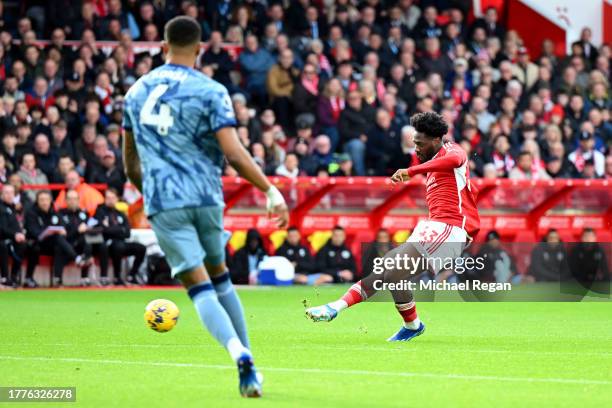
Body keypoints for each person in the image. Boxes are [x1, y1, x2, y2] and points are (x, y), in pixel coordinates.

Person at [121, 16, 288, 398]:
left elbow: (130, 165)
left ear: (163, 47)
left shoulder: (135, 93)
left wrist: (152, 195)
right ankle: (252, 364)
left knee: (199, 289)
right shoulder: (211, 90)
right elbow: (233, 153)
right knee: (221, 276)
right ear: (199, 49)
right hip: (206, 197)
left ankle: (237, 353)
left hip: (165, 202)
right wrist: (269, 189)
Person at [306, 112, 480, 342]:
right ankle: (404, 323)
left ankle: (340, 308)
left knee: (393, 267)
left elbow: (456, 160)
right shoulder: (433, 164)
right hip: (434, 226)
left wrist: (412, 171)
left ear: (436, 139)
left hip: (451, 228)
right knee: (389, 270)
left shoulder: (451, 150)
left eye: (419, 143)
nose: (415, 148)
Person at [25, 190, 83, 287]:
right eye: (42, 200)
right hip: (37, 242)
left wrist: (62, 231)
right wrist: (47, 232)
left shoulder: (54, 212)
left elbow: (63, 227)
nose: (44, 202)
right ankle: (76, 257)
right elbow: (33, 231)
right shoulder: (31, 213)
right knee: (53, 240)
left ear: (50, 201)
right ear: (37, 201)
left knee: (59, 245)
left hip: (51, 243)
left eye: (47, 200)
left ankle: (57, 279)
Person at [93, 188, 145, 285]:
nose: (110, 200)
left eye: (112, 198)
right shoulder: (100, 212)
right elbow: (101, 230)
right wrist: (119, 229)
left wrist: (111, 228)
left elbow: (128, 232)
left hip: (121, 241)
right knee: (118, 246)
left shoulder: (120, 214)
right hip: (107, 243)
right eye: (108, 198)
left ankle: (132, 275)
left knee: (141, 248)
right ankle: (117, 277)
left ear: (117, 199)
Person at [59, 189, 109, 286]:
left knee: (102, 245)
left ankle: (103, 277)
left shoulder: (83, 213)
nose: (72, 201)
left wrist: (92, 227)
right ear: (66, 200)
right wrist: (77, 230)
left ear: (78, 200)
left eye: (75, 199)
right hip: (70, 243)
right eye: (70, 199)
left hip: (84, 242)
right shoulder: (61, 214)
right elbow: (64, 235)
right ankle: (82, 274)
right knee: (86, 243)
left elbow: (90, 225)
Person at [0, 184, 27, 287]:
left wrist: (20, 233)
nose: (9, 195)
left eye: (11, 193)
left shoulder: (12, 208)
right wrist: (15, 234)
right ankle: (5, 277)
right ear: (2, 194)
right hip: (2, 238)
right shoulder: (1, 208)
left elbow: (16, 226)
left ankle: (14, 276)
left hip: (12, 238)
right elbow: (2, 227)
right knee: (2, 245)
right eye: (6, 192)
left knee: (24, 245)